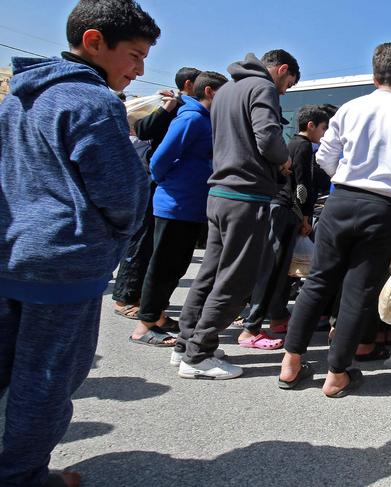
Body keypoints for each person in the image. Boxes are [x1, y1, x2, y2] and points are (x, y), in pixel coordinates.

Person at [0, 1, 159, 485]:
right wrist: (113, 239)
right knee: (47, 380)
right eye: (133, 55)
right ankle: (24, 475)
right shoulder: (93, 102)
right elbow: (122, 193)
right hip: (64, 264)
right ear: (94, 42)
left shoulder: (18, 97)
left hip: (11, 251)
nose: (140, 69)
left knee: (8, 371)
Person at [279, 42, 391, 397]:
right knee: (357, 292)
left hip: (341, 199)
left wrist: (347, 178)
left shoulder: (350, 108)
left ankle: (291, 363)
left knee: (317, 281)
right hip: (383, 208)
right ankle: (336, 375)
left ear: (374, 73)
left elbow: (326, 157)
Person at [174, 49, 299, 380]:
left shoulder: (227, 88)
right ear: (282, 70)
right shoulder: (263, 88)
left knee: (210, 274)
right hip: (246, 195)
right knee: (236, 278)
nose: (285, 90)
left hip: (219, 193)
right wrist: (283, 160)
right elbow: (268, 137)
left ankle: (186, 343)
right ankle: (198, 354)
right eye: (288, 83)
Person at [129, 71, 228, 347]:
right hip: (175, 203)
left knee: (177, 265)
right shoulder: (191, 118)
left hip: (190, 204)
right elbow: (159, 159)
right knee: (162, 265)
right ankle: (144, 325)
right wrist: (169, 184)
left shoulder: (204, 119)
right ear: (209, 91)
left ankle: (157, 315)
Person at [112, 66, 202, 320]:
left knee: (153, 243)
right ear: (187, 84)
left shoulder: (193, 110)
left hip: (165, 182)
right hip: (153, 179)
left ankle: (141, 296)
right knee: (141, 239)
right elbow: (143, 131)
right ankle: (124, 296)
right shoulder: (171, 105)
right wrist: (166, 109)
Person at [237, 104, 330, 348]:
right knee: (273, 268)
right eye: (323, 128)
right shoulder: (303, 147)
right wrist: (305, 216)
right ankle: (251, 328)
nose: (325, 133)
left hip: (285, 210)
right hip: (286, 210)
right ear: (310, 126)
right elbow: (301, 185)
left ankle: (277, 317)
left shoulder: (293, 145)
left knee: (280, 270)